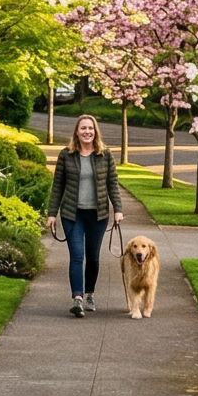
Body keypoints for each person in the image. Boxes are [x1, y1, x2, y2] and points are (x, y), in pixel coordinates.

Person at [47, 114, 122, 316]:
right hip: (73, 214)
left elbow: (112, 184)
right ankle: (77, 298)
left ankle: (89, 293)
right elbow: (57, 186)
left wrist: (118, 210)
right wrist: (52, 214)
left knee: (93, 258)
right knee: (77, 256)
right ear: (77, 132)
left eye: (90, 128)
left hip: (98, 215)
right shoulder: (66, 155)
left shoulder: (104, 155)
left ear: (95, 131)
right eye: (83, 128)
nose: (87, 131)